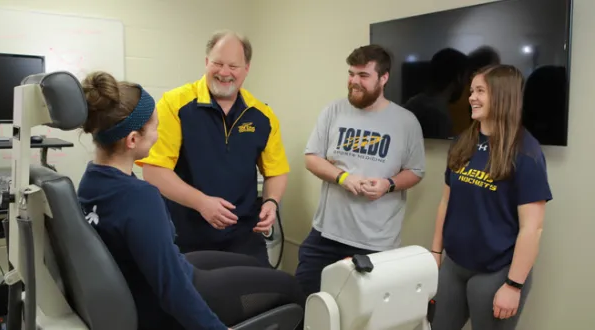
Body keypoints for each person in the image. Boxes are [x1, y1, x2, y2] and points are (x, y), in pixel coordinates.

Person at [76, 71, 305, 330]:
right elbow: (171, 289)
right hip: (164, 302)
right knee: (290, 287)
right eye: (154, 127)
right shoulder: (140, 198)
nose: (158, 134)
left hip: (159, 274)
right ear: (132, 140)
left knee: (251, 263)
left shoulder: (90, 181)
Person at [135, 30, 289, 266]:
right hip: (185, 236)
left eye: (233, 66)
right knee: (197, 300)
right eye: (217, 63)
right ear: (207, 62)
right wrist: (202, 203)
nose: (224, 73)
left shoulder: (262, 116)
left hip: (244, 238)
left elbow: (276, 170)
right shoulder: (175, 104)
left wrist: (271, 201)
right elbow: (154, 171)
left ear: (246, 68)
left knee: (258, 296)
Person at [295, 44, 426, 297]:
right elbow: (312, 158)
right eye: (351, 74)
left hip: (376, 243)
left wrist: (387, 184)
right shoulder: (334, 111)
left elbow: (416, 171)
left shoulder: (406, 121)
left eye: (363, 76)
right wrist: (342, 177)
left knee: (362, 316)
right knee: (304, 304)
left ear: (383, 78)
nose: (354, 82)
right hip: (325, 235)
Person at [429, 64, 552, 330]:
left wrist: (513, 285)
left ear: (502, 95)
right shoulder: (462, 142)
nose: (471, 97)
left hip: (497, 272)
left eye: (480, 91)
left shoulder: (525, 153)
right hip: (454, 266)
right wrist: (435, 252)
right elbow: (445, 202)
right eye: (472, 90)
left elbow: (532, 228)